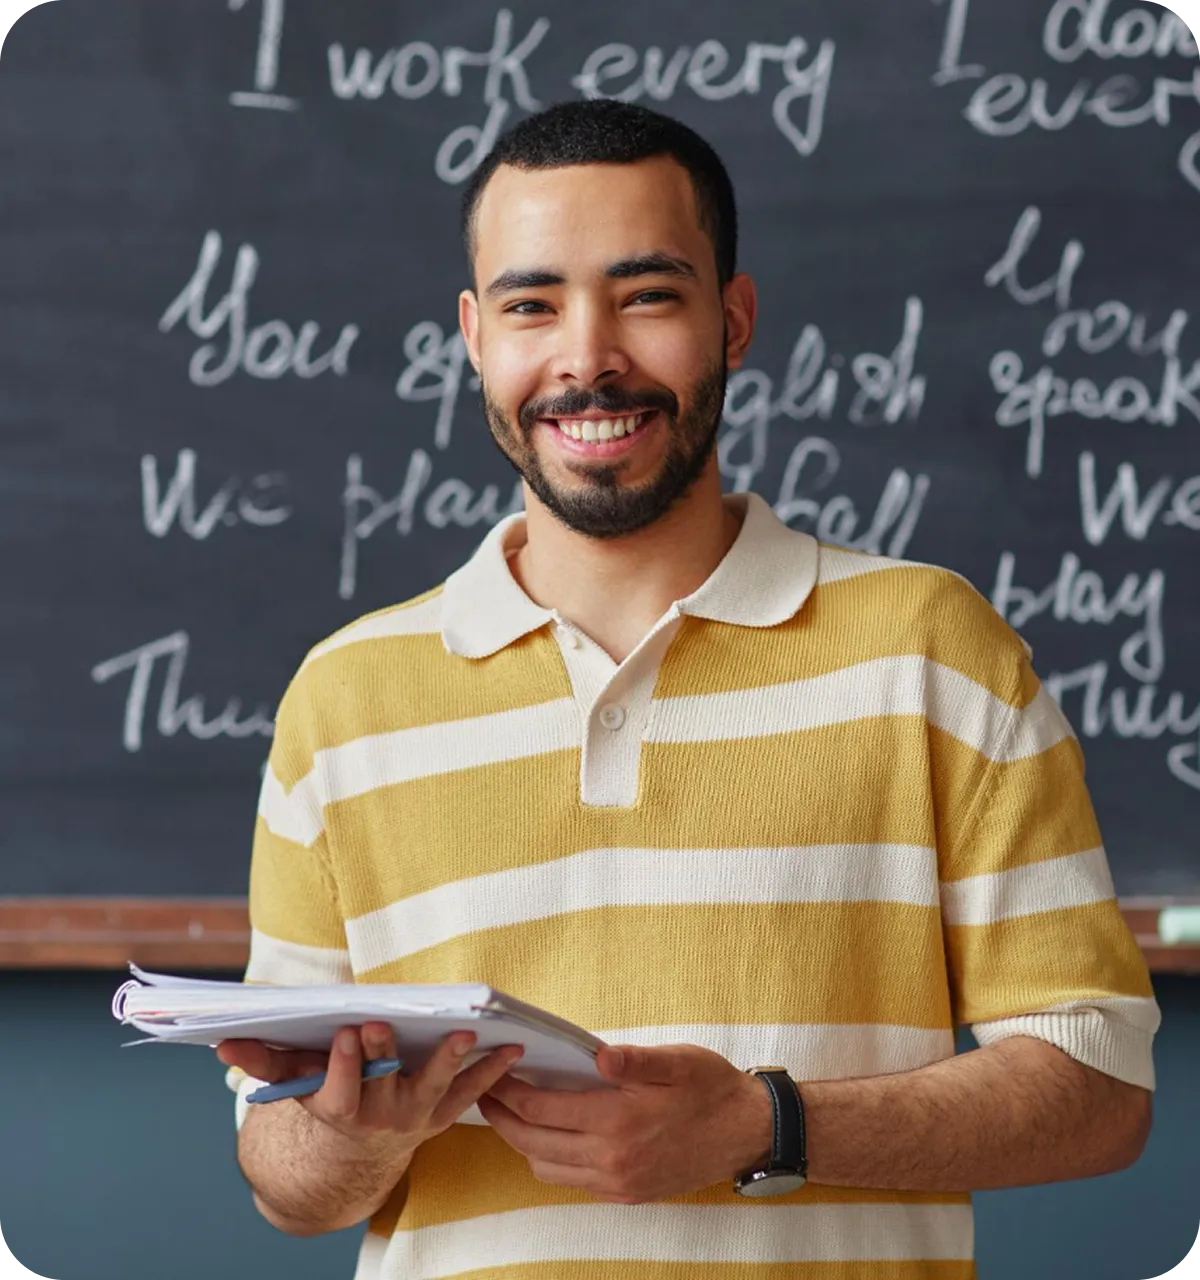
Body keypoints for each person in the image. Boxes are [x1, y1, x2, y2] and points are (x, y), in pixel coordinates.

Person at [216, 100, 1160, 1279]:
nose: (587, 355)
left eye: (648, 294)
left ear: (734, 318)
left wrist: (765, 1125)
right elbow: (285, 1182)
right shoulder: (341, 701)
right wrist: (354, 1135)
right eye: (531, 304)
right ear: (473, 335)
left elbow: (1100, 1084)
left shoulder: (934, 650)